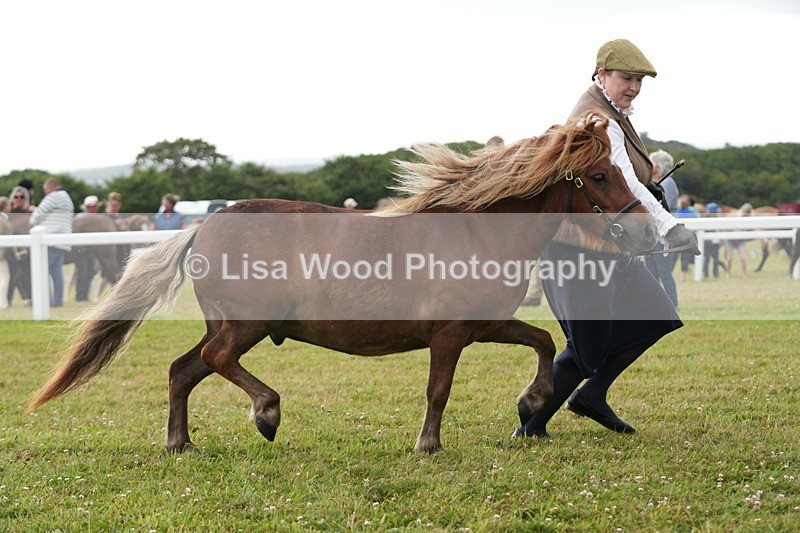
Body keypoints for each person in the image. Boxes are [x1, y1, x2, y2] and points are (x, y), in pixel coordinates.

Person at [517, 39, 698, 439]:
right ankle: (531, 423)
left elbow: (631, 182)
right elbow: (625, 179)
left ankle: (592, 395)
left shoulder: (615, 113)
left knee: (656, 314)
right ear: (602, 75)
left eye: (638, 80)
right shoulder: (596, 116)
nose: (633, 87)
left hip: (611, 248)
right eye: (626, 78)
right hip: (578, 250)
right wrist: (671, 226)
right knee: (587, 348)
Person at [29, 177, 74, 307]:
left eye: (45, 190)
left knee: (44, 271)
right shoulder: (67, 198)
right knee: (57, 273)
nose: (45, 193)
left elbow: (36, 217)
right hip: (62, 240)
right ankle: (58, 300)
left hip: (49, 239)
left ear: (50, 187)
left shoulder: (53, 197)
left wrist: (33, 216)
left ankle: (45, 300)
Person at [643, 149, 679, 306]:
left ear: (658, 167)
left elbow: (665, 207)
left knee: (664, 272)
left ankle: (672, 304)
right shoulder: (657, 183)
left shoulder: (668, 183)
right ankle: (656, 304)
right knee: (651, 272)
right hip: (652, 234)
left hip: (663, 234)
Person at [7, 186, 34, 306]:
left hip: (27, 251)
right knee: (13, 277)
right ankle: (9, 300)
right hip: (10, 251)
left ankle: (29, 298)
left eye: (22, 197)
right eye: (16, 197)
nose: (18, 199)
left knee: (24, 276)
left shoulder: (31, 212)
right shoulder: (7, 213)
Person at [73, 195, 101, 301]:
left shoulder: (97, 218)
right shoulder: (80, 217)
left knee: (90, 272)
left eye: (94, 206)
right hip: (81, 250)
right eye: (91, 206)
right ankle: (80, 295)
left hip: (92, 250)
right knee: (82, 272)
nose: (93, 208)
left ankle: (84, 295)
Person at [674, 195, 699, 282]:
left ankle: (669, 273)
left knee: (673, 257)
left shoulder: (676, 213)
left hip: (677, 240)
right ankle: (683, 277)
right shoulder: (693, 213)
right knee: (685, 258)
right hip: (687, 240)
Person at [725, 202, 752, 277]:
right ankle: (728, 273)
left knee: (743, 258)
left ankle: (744, 274)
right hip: (730, 240)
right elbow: (727, 227)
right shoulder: (734, 215)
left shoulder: (747, 219)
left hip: (740, 240)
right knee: (729, 258)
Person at [702, 202, 726, 278]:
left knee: (715, 259)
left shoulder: (717, 218)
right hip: (707, 242)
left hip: (715, 241)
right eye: (715, 212)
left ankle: (716, 274)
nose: (717, 213)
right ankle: (705, 274)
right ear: (711, 212)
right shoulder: (704, 218)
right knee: (707, 259)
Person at [0, 197, 11, 309]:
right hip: (1, 255)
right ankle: (2, 302)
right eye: (8, 205)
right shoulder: (1, 219)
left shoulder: (4, 218)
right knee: (5, 277)